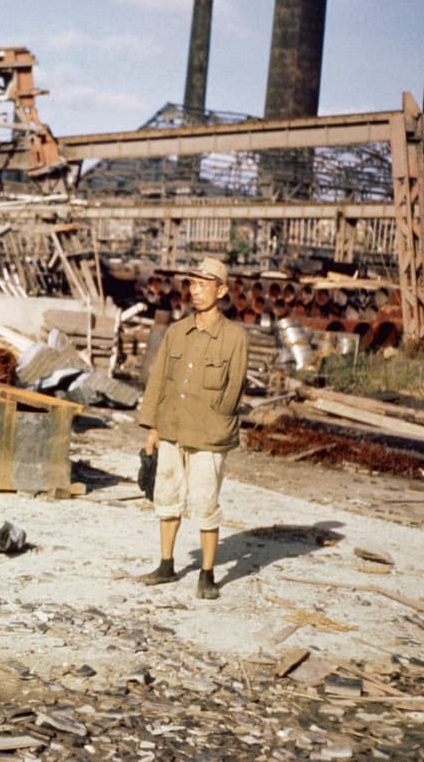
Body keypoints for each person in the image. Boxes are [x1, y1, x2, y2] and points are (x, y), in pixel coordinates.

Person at [136, 257, 248, 600]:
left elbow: (233, 390)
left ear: (222, 290)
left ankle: (207, 574)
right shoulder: (176, 332)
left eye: (204, 284)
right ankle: (166, 564)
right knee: (166, 497)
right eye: (193, 284)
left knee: (205, 503)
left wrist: (215, 424)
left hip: (208, 435)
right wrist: (152, 426)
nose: (196, 291)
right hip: (171, 428)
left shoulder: (234, 337)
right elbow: (158, 381)